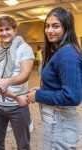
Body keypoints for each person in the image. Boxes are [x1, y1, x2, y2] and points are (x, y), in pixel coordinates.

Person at [28, 7, 82, 150]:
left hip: (59, 122)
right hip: (58, 120)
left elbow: (72, 97)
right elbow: (61, 84)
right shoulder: (61, 50)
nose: (49, 30)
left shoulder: (66, 54)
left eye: (55, 26)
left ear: (67, 27)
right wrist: (43, 88)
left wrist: (38, 95)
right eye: (47, 26)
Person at [0, 16, 35, 150]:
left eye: (8, 29)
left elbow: (25, 75)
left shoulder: (24, 48)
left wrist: (8, 81)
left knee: (23, 145)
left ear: (15, 30)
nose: (4, 33)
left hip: (18, 104)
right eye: (1, 30)